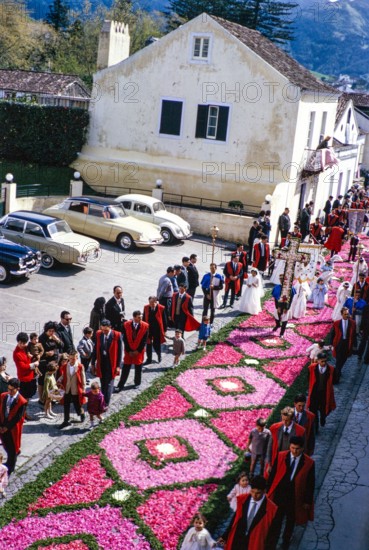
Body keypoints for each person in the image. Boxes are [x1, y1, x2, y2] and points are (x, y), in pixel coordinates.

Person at [267, 436, 315, 549]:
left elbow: (310, 483)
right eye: (292, 448)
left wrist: (307, 500)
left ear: (302, 448)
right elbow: (272, 475)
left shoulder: (309, 463)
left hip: (294, 497)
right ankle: (271, 543)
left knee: (290, 521)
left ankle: (285, 541)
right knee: (276, 521)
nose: (294, 451)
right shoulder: (281, 456)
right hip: (279, 495)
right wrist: (268, 491)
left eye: (297, 449)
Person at [220, 475, 279, 550]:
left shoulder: (272, 509)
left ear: (264, 491)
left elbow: (273, 535)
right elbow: (235, 519)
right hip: (237, 540)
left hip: (255, 544)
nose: (254, 495)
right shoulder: (242, 500)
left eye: (258, 493)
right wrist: (224, 536)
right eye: (252, 491)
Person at [91, 319, 122, 405]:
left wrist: (118, 366)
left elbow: (120, 352)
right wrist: (93, 363)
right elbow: (95, 349)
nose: (104, 332)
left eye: (106, 330)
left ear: (110, 327)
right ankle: (102, 398)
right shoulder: (98, 334)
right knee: (103, 382)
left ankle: (105, 403)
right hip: (101, 362)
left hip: (112, 363)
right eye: (102, 329)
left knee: (109, 384)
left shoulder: (117, 335)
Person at [266, 407, 305, 474]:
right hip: (276, 461)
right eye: (283, 419)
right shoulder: (275, 428)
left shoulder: (300, 431)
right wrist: (269, 464)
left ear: (292, 419)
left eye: (287, 420)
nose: (284, 422)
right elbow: (270, 447)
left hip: (290, 462)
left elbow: (303, 449)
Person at [0, 378, 27, 475]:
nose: (9, 392)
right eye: (8, 389)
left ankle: (11, 466)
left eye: (12, 390)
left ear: (17, 389)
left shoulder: (21, 401)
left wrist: (6, 427)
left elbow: (18, 417)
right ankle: (9, 461)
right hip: (2, 426)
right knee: (6, 445)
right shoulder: (3, 396)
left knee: (12, 448)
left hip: (12, 428)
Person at [117, 311, 149, 391]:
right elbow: (124, 339)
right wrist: (129, 350)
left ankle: (137, 383)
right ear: (134, 317)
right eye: (139, 317)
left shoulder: (145, 326)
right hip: (128, 351)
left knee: (138, 368)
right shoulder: (126, 325)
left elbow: (144, 340)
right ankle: (120, 385)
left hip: (139, 351)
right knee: (126, 368)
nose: (140, 319)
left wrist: (138, 351)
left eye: (141, 317)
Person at [13, 332, 39, 421]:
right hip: (23, 378)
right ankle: (20, 416)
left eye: (24, 343)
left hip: (30, 376)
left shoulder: (25, 348)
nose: (23, 345)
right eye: (21, 343)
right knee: (22, 400)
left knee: (27, 398)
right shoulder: (16, 353)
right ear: (18, 342)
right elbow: (22, 367)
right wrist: (33, 364)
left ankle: (24, 413)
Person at [306, 352, 336, 429]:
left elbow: (333, 380)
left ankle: (323, 418)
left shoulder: (331, 369)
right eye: (322, 361)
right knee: (313, 410)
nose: (324, 363)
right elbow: (308, 378)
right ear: (318, 360)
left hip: (324, 393)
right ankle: (315, 426)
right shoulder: (312, 368)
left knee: (323, 410)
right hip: (314, 393)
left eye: (325, 361)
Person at [58, 350, 86, 429]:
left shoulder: (80, 366)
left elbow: (83, 378)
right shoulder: (66, 366)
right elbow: (64, 375)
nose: (72, 360)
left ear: (77, 358)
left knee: (77, 405)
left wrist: (83, 388)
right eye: (70, 359)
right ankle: (66, 420)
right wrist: (59, 380)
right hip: (67, 388)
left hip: (76, 389)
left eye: (74, 359)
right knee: (66, 405)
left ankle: (82, 414)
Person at [38, 321, 63, 404]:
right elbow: (37, 352)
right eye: (50, 331)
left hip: (54, 363)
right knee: (42, 381)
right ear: (46, 330)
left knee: (52, 381)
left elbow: (61, 346)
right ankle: (41, 399)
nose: (51, 333)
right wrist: (46, 353)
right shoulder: (41, 338)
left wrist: (57, 340)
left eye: (53, 331)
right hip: (45, 363)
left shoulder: (55, 336)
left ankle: (51, 398)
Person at [330, 307, 356, 383]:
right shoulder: (337, 323)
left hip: (347, 343)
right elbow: (333, 334)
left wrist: (354, 345)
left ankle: (338, 370)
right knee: (338, 360)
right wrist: (331, 344)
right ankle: (336, 378)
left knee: (344, 359)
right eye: (345, 314)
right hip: (339, 343)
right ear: (341, 314)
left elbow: (354, 335)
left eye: (347, 314)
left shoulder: (352, 323)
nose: (346, 316)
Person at [143, 296, 167, 365]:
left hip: (157, 329)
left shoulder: (161, 308)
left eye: (153, 303)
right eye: (150, 302)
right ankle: (149, 359)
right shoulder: (146, 307)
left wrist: (164, 330)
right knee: (148, 345)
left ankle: (159, 355)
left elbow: (164, 320)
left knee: (157, 344)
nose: (151, 304)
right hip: (149, 329)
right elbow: (144, 318)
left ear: (156, 302)